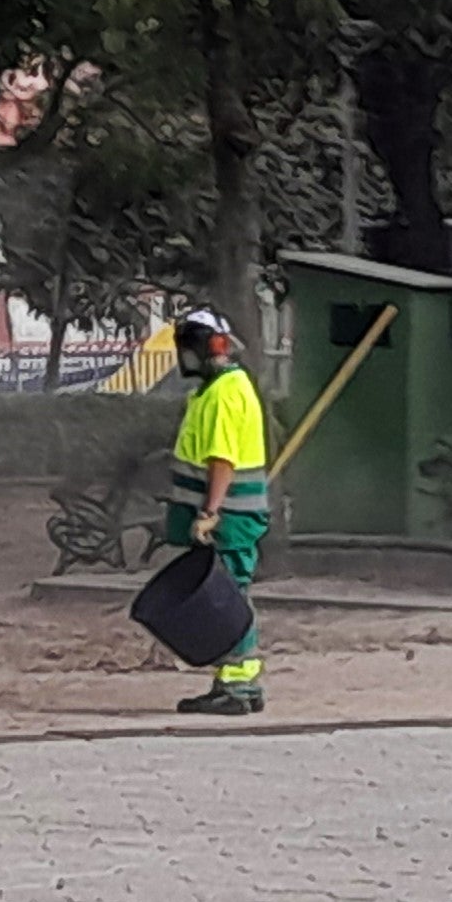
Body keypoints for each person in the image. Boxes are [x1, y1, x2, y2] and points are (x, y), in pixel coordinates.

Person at [167, 307, 270, 716]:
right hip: (230, 515)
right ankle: (232, 682)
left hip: (229, 515)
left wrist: (209, 512)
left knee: (227, 598)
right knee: (225, 594)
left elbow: (222, 460)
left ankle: (239, 686)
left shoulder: (226, 393)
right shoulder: (215, 391)